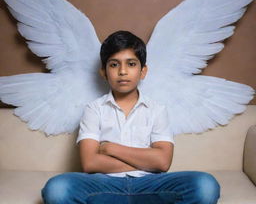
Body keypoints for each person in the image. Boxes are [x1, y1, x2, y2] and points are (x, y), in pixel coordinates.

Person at [41, 30, 220, 204]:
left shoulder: (157, 110)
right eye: (114, 64)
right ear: (103, 72)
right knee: (57, 188)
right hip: (104, 185)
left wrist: (111, 148)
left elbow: (163, 162)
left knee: (205, 185)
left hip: (150, 186)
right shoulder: (93, 109)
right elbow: (90, 163)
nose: (123, 71)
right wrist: (148, 161)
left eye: (131, 64)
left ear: (143, 71)